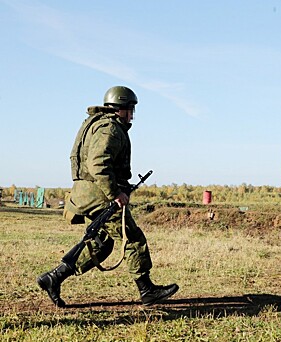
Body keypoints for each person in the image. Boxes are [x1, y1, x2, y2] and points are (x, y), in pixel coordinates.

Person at [37, 86, 179, 307]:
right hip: (100, 195)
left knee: (102, 244)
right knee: (132, 238)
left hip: (87, 193)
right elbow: (98, 164)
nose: (132, 114)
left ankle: (54, 278)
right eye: (129, 109)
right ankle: (147, 290)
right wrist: (115, 193)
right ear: (119, 108)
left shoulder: (97, 124)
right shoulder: (110, 129)